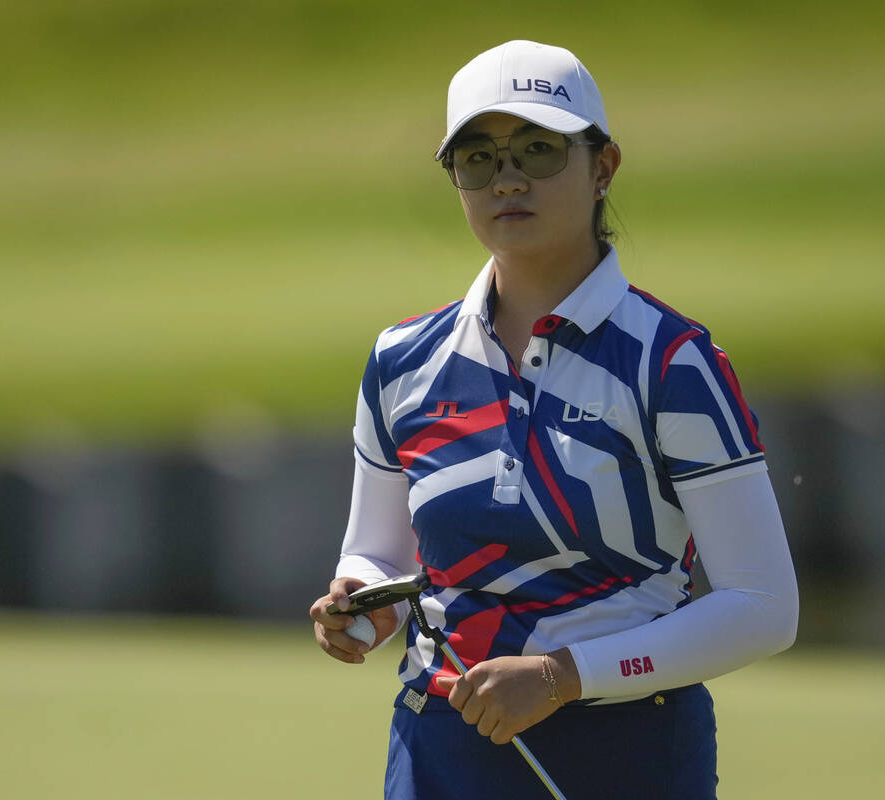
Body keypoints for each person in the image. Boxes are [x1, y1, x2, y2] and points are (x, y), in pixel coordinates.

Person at [309, 40, 799, 800]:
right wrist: (358, 608)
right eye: (478, 157)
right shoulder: (403, 360)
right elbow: (379, 555)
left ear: (602, 168)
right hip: (442, 745)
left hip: (629, 751)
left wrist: (562, 677)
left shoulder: (671, 362)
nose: (507, 178)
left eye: (538, 149)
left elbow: (763, 607)